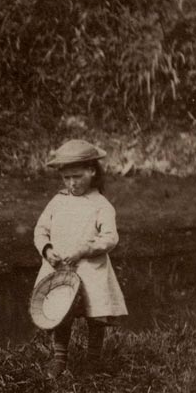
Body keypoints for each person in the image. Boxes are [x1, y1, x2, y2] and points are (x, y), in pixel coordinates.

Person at [34, 139, 127, 377]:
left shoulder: (100, 205)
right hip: (60, 268)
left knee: (95, 316)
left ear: (92, 172)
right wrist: (47, 250)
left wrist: (85, 248)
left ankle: (93, 361)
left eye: (78, 176)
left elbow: (110, 237)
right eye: (67, 178)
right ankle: (59, 358)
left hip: (91, 269)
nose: (72, 183)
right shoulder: (58, 201)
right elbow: (40, 229)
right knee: (60, 312)